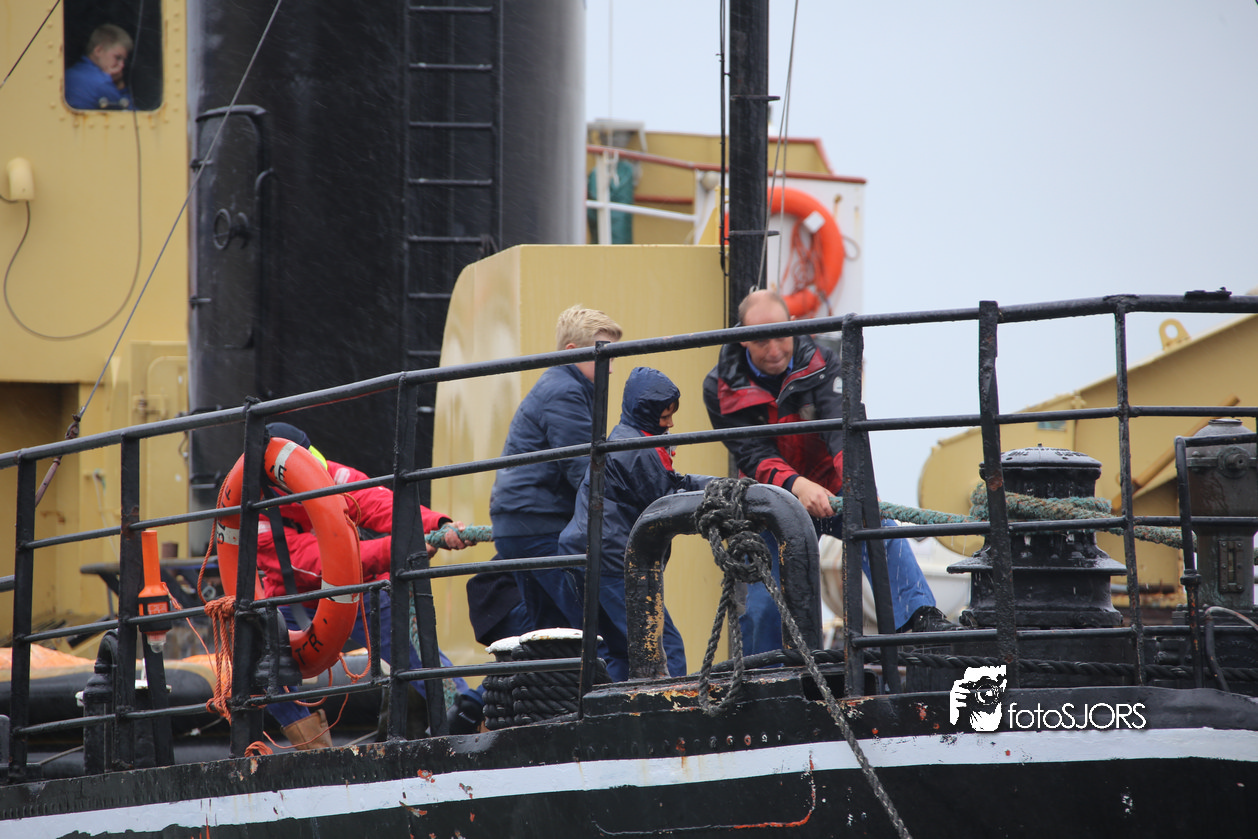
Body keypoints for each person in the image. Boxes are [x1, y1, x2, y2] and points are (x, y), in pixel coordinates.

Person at [702, 289, 946, 653]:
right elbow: (753, 453)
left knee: (877, 528)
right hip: (769, 500)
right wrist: (798, 487)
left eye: (780, 335)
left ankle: (923, 620)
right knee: (762, 601)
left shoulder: (823, 362)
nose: (774, 350)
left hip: (833, 489)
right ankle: (764, 672)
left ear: (793, 326)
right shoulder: (719, 388)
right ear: (743, 338)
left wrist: (856, 486)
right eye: (761, 340)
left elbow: (842, 434)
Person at [255, 422, 478, 748]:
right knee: (260, 664)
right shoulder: (255, 510)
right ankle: (315, 751)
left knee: (418, 656)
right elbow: (314, 562)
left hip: (358, 590)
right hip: (294, 602)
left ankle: (470, 726)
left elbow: (376, 502)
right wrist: (400, 548)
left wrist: (437, 524)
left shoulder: (328, 475)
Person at [557, 367, 714, 681]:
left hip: (589, 554)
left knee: (619, 650)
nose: (671, 424)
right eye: (664, 416)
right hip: (614, 560)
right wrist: (718, 500)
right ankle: (670, 706)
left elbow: (670, 483)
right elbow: (667, 501)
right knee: (664, 646)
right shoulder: (638, 450)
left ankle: (610, 706)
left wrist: (715, 486)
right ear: (647, 413)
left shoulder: (628, 440)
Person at [489, 305, 624, 632]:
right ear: (571, 351)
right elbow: (584, 470)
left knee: (552, 632)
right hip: (539, 524)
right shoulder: (565, 390)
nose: (610, 368)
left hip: (521, 522)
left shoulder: (560, 385)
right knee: (596, 628)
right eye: (604, 356)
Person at [65, 24, 134, 110]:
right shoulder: (103, 84)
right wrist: (120, 86)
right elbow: (131, 114)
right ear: (98, 51)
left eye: (124, 60)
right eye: (117, 58)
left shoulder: (67, 74)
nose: (122, 65)